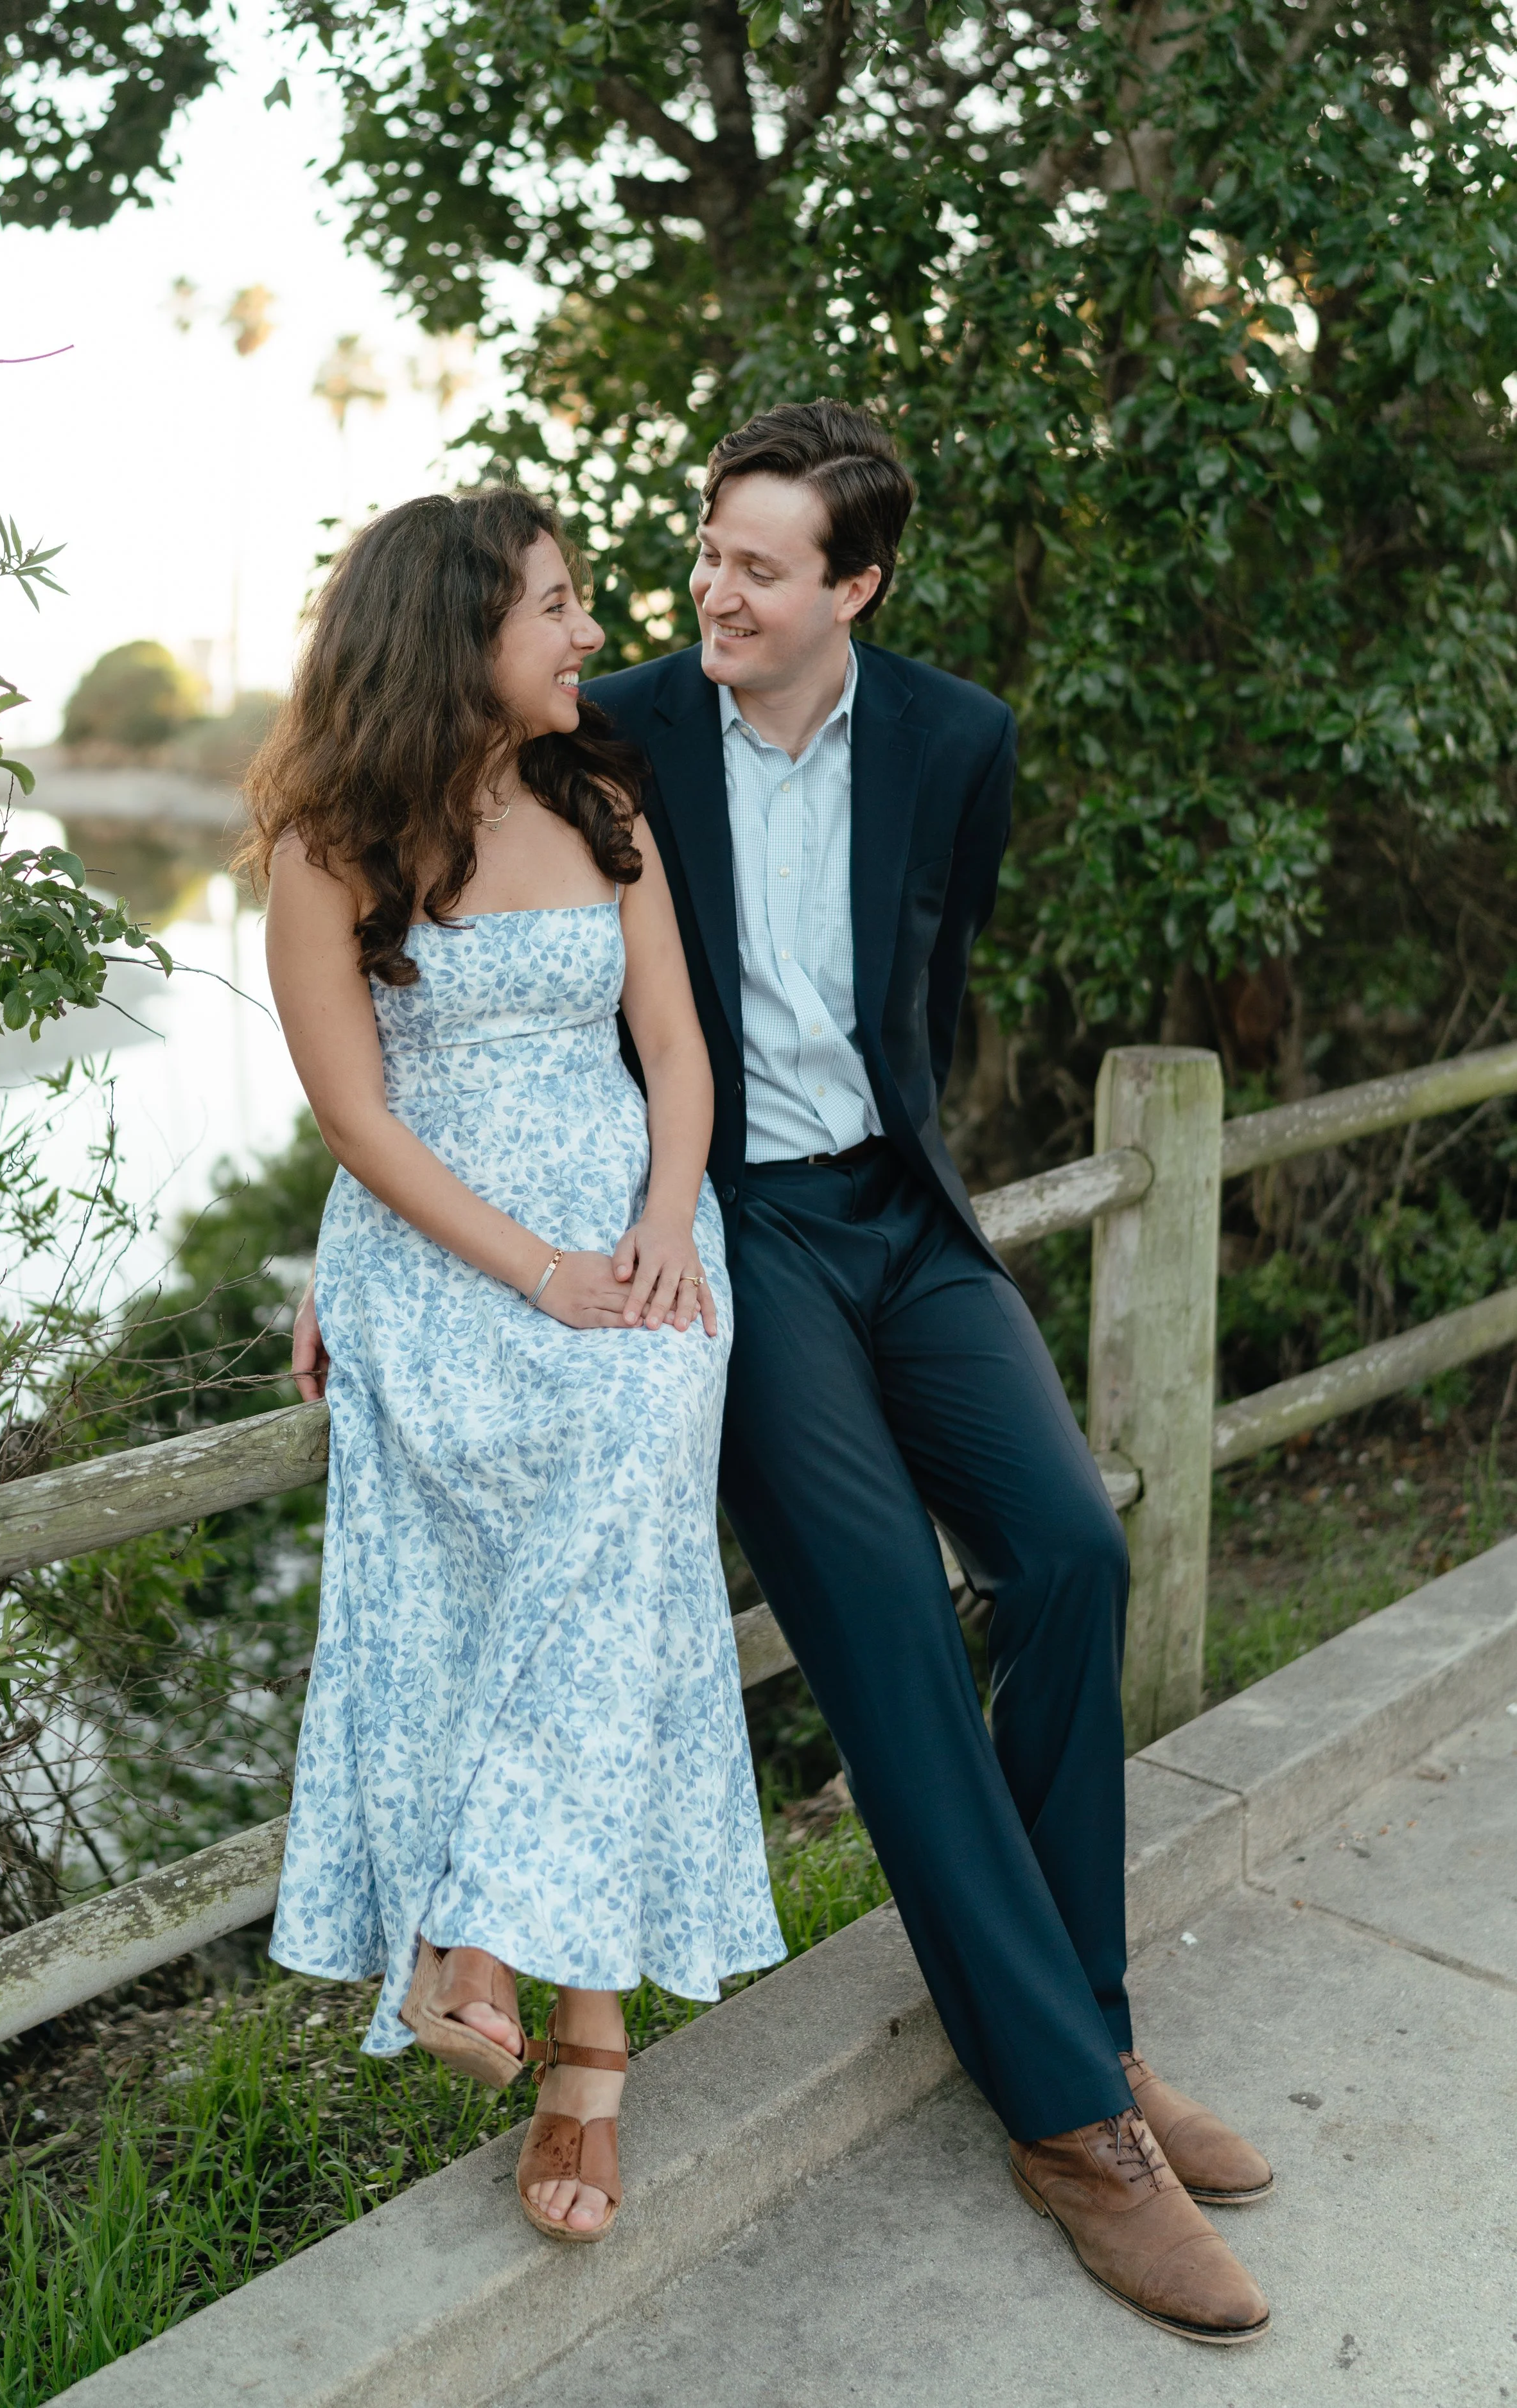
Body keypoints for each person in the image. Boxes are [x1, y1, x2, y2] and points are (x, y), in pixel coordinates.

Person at [578, 399, 1276, 2344]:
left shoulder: (959, 739)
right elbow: (463, 950)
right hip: (740, 1228)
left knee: (1067, 1552)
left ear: (852, 587)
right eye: (705, 547)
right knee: (883, 1618)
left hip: (898, 1207)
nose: (713, 587)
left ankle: (1091, 2035)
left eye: (758, 565)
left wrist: (905, 1155)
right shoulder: (613, 733)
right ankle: (1069, 2121)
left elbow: (926, 981)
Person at [249, 487, 784, 2247]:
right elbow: (356, 1113)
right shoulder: (327, 843)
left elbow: (678, 1051)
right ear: (455, 635)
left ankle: (478, 1937)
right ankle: (581, 2041)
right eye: (553, 604)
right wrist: (533, 1269)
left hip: (626, 1228)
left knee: (633, 1437)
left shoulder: (598, 796)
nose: (585, 630)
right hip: (446, 1243)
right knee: (536, 1563)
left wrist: (653, 1223)